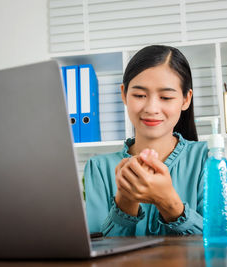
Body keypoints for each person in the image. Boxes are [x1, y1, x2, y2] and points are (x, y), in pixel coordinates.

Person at [83, 45, 208, 236]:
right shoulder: (98, 168)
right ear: (124, 94)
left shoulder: (208, 159)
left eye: (166, 97)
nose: (151, 108)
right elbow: (98, 250)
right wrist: (125, 203)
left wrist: (168, 202)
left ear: (185, 99)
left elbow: (220, 241)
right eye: (140, 95)